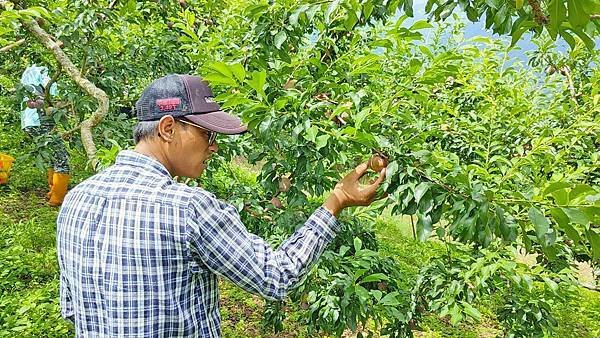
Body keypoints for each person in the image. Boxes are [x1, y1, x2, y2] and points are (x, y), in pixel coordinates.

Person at [56, 74, 386, 337]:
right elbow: (276, 276)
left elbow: (73, 311)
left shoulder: (77, 198)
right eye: (207, 135)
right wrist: (337, 200)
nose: (213, 147)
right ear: (168, 128)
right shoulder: (187, 208)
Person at [19, 65, 70, 206]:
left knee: (53, 156)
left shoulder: (28, 71)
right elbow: (52, 98)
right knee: (62, 158)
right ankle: (58, 198)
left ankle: (53, 191)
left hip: (28, 122)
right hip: (39, 120)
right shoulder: (43, 71)